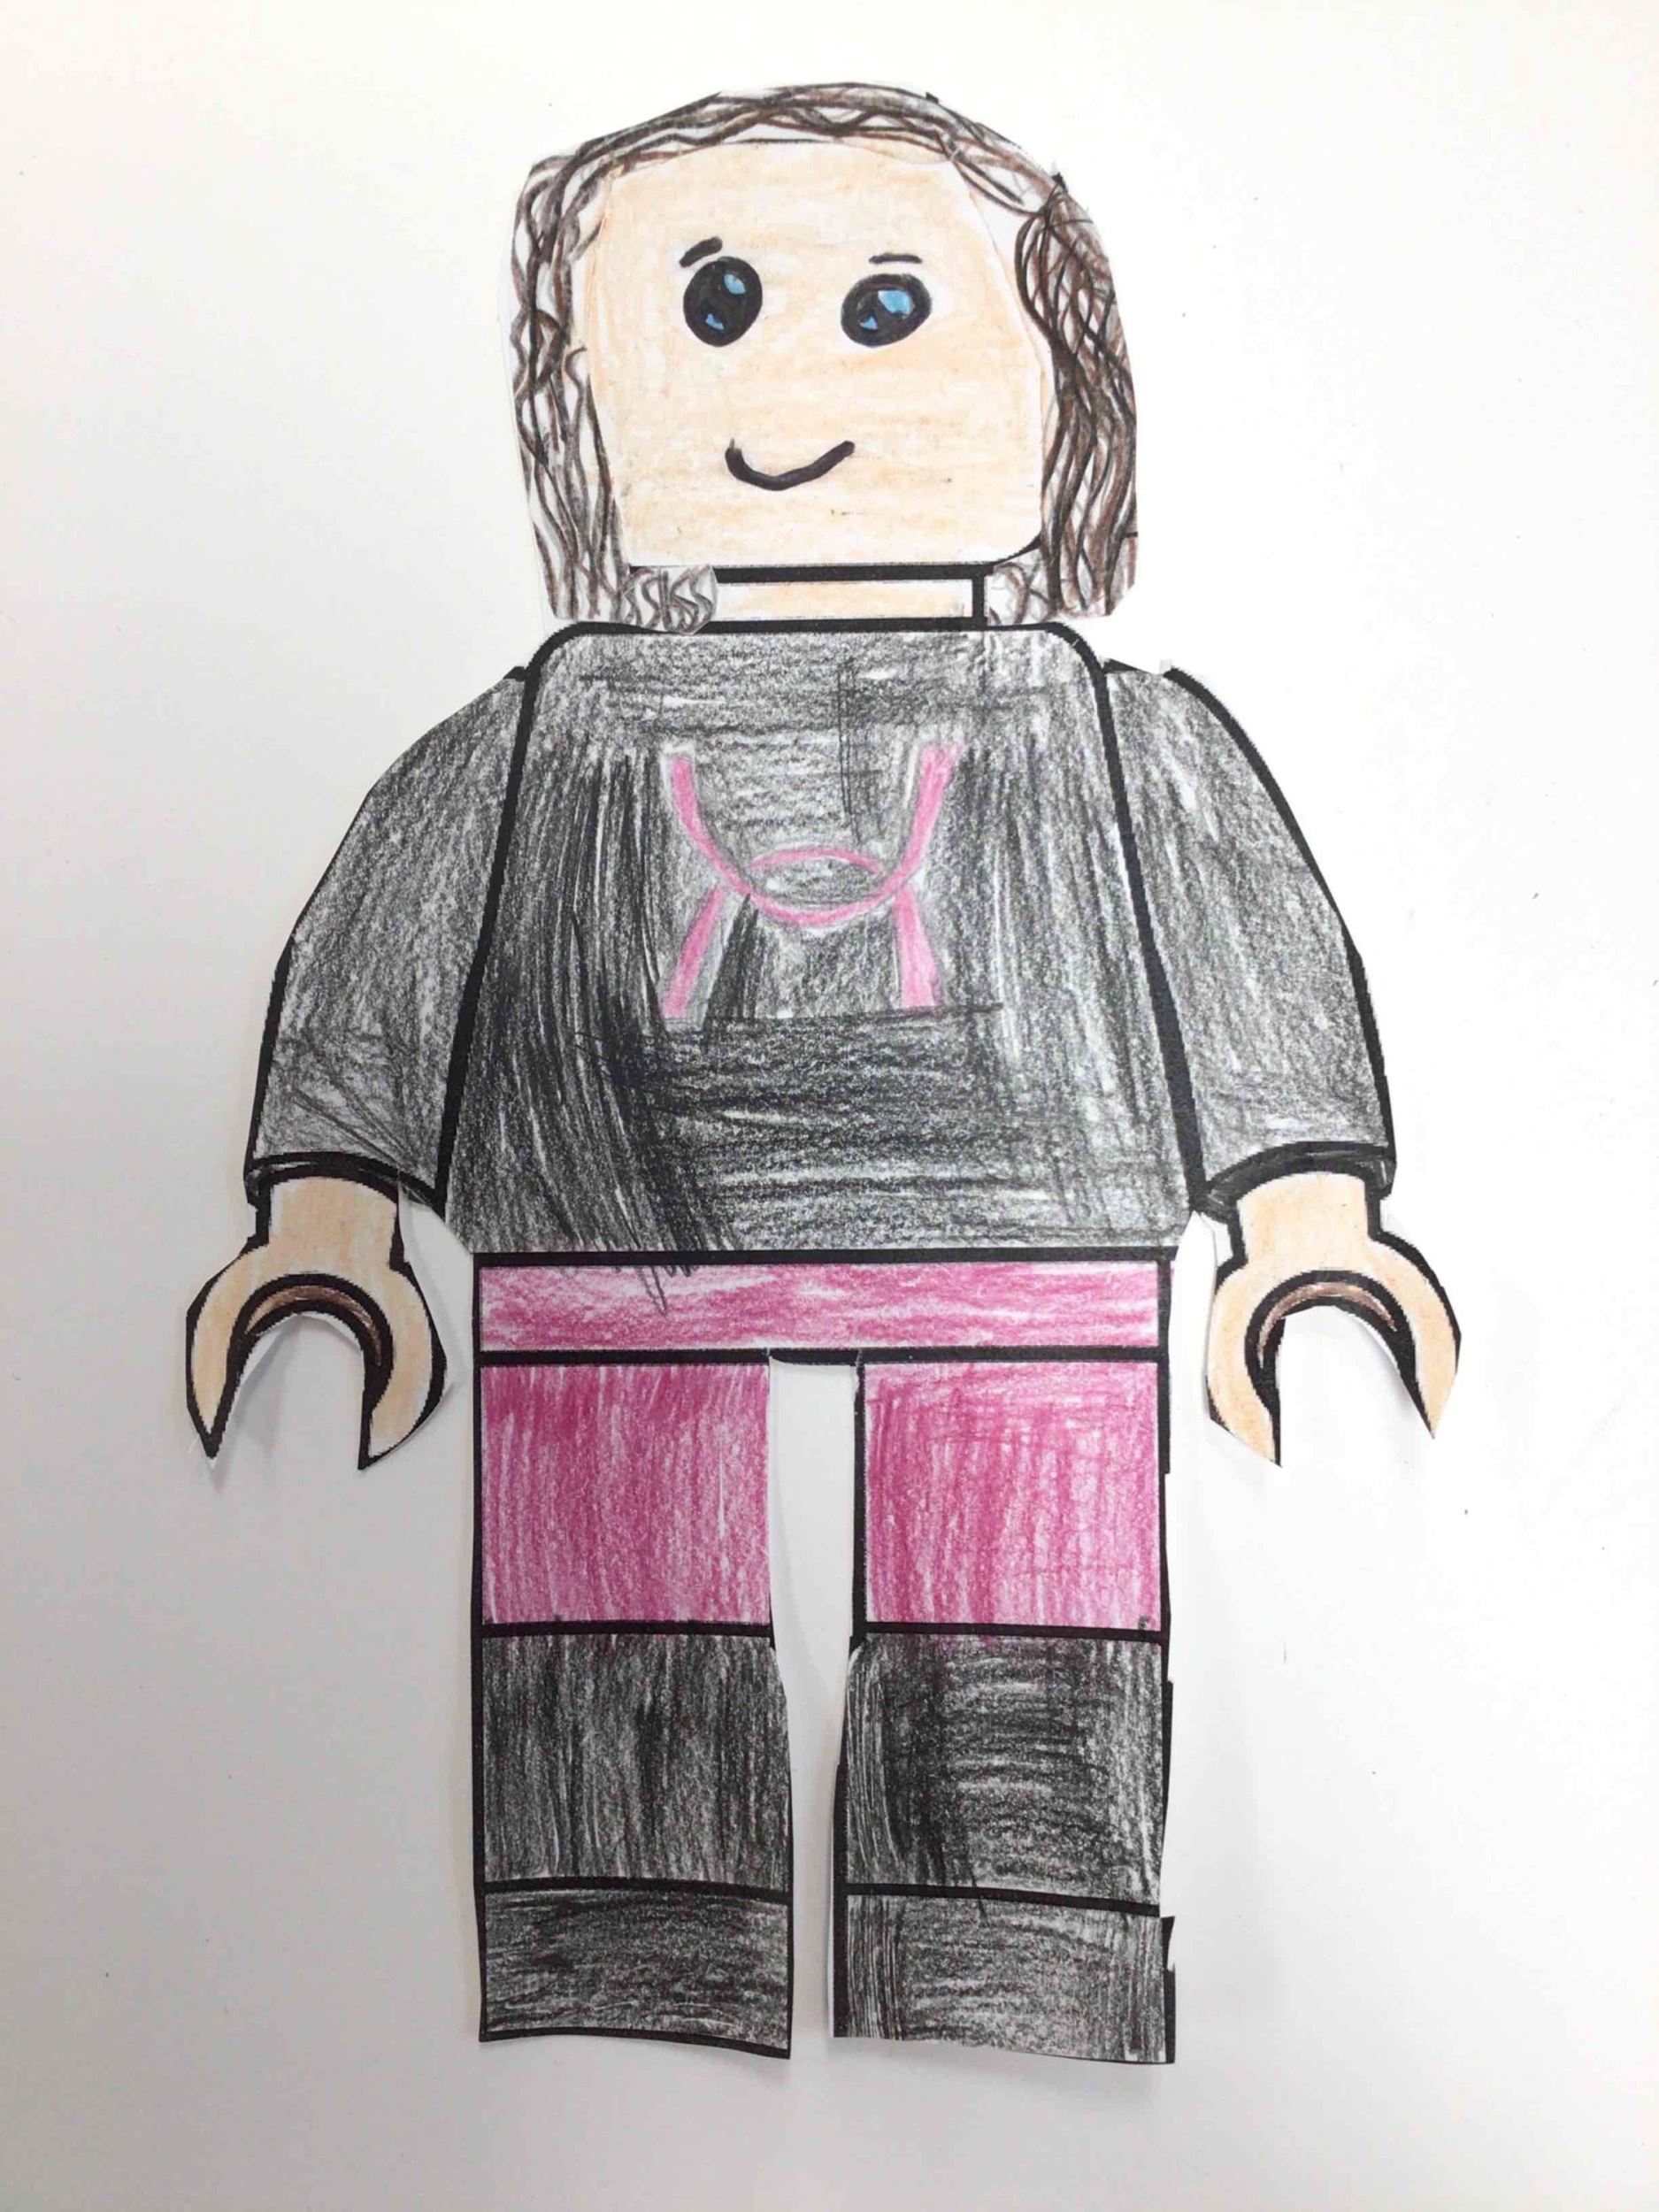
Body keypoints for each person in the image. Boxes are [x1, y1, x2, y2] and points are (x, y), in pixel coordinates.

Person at [186, 83, 1456, 2063]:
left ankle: (1011, 1949)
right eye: (710, 306)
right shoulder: (540, 731)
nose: (786, 378)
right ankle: (628, 1947)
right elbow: (386, 945)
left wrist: (1305, 1219)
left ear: (1067, 390)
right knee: (609, 1641)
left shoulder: (1110, 734)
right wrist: (329, 1224)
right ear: (576, 399)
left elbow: (1246, 941)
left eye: (884, 308)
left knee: (1021, 1633)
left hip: (1024, 1265)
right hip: (611, 1260)